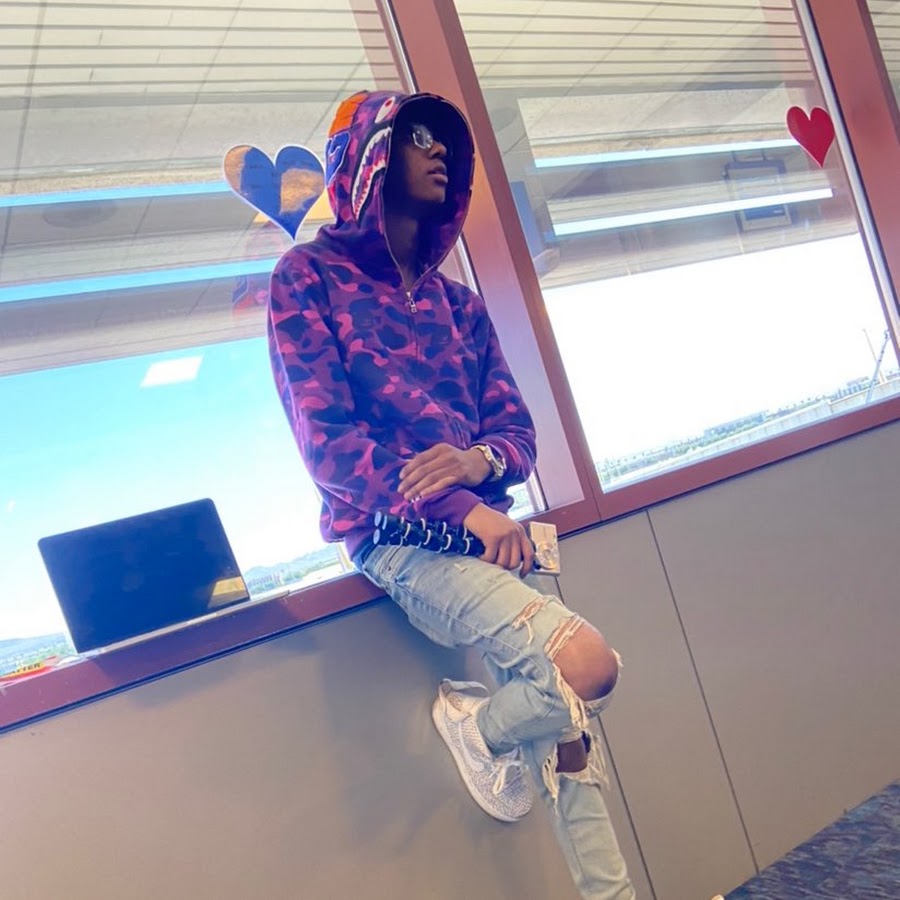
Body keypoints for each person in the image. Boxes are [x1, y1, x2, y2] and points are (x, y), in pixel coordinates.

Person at [268, 89, 634, 900]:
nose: (437, 151)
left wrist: (475, 465)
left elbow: (517, 434)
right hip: (400, 541)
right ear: (370, 157)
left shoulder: (457, 303)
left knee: (571, 741)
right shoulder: (306, 279)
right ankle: (480, 730)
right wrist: (460, 505)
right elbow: (330, 450)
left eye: (443, 140)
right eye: (416, 137)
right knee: (586, 668)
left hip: (491, 529)